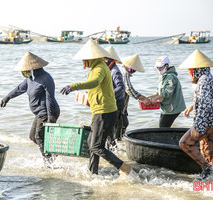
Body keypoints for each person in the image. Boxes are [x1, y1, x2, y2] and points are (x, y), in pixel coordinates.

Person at [60, 40, 132, 176]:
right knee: (91, 143)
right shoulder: (95, 68)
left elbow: (95, 83)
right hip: (99, 111)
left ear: (91, 58)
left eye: (84, 60)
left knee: (96, 146)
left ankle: (123, 167)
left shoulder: (99, 68)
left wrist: (73, 86)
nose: (83, 62)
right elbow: (97, 89)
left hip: (105, 112)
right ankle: (93, 172)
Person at [0, 52, 60, 163]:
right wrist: (7, 97)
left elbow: (50, 97)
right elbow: (19, 89)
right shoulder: (30, 79)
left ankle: (48, 161)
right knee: (33, 136)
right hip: (39, 113)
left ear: (33, 68)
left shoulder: (46, 78)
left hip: (47, 111)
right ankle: (52, 153)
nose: (23, 72)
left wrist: (50, 115)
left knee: (39, 136)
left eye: (25, 70)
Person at [178, 49, 213, 179]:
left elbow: (204, 105)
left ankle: (207, 169)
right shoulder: (211, 78)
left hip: (206, 122)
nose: (189, 72)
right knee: (209, 152)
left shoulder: (203, 81)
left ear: (197, 69)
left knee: (185, 143)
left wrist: (198, 127)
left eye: (190, 70)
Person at [149, 56, 186, 127]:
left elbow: (168, 91)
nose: (159, 69)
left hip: (173, 108)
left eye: (160, 67)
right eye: (157, 68)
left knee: (163, 127)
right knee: (163, 126)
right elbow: (159, 92)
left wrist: (156, 98)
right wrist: (149, 97)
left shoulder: (170, 76)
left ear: (166, 66)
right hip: (167, 107)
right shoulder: (163, 76)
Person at [118, 54, 151, 134]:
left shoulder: (119, 69)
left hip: (120, 104)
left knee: (124, 123)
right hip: (118, 104)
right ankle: (116, 142)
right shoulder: (124, 72)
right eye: (134, 70)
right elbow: (129, 89)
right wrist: (142, 98)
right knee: (120, 125)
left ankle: (116, 142)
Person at [104, 46, 125, 143]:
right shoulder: (109, 69)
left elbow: (121, 88)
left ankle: (112, 150)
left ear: (107, 59)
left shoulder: (115, 71)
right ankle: (113, 149)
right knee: (109, 131)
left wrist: (108, 96)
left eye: (104, 59)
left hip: (117, 103)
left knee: (110, 130)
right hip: (113, 102)